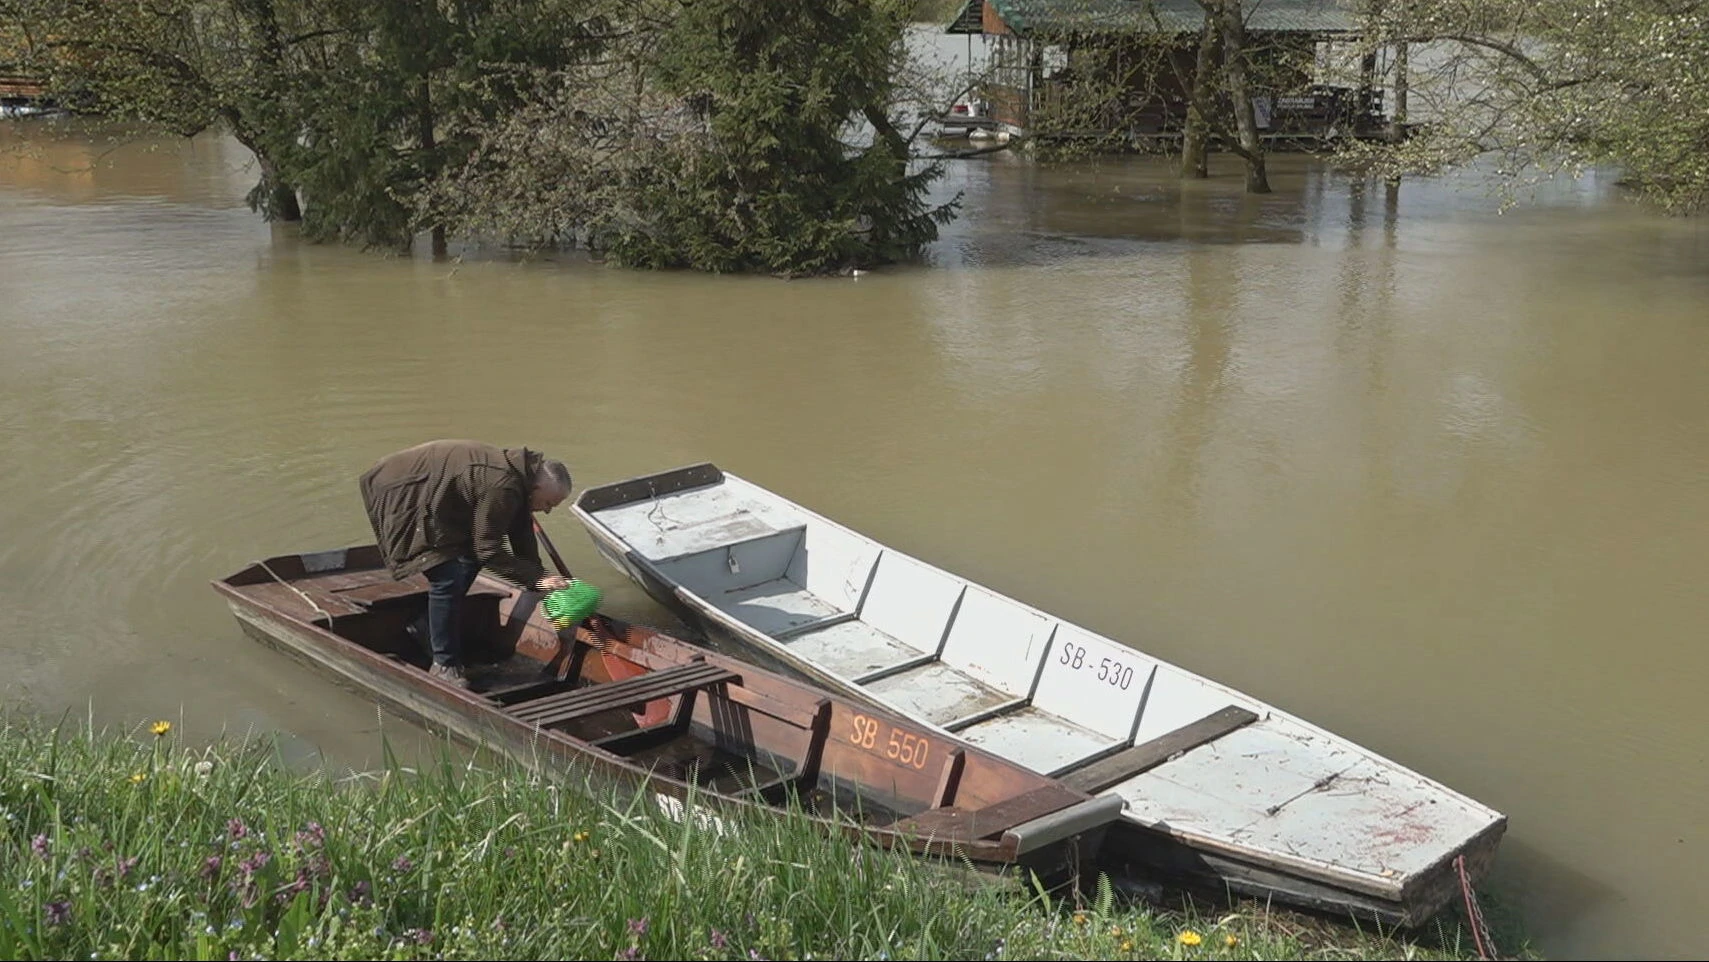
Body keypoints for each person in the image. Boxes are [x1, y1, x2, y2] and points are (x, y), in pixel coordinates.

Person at [358, 440, 574, 688]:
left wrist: (541, 578)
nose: (547, 511)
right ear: (536, 487)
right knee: (446, 573)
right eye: (549, 504)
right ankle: (443, 665)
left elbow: (521, 535)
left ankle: (428, 626)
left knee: (468, 557)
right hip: (399, 488)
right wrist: (536, 578)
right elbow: (488, 551)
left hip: (432, 491)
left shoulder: (520, 480)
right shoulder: (503, 486)